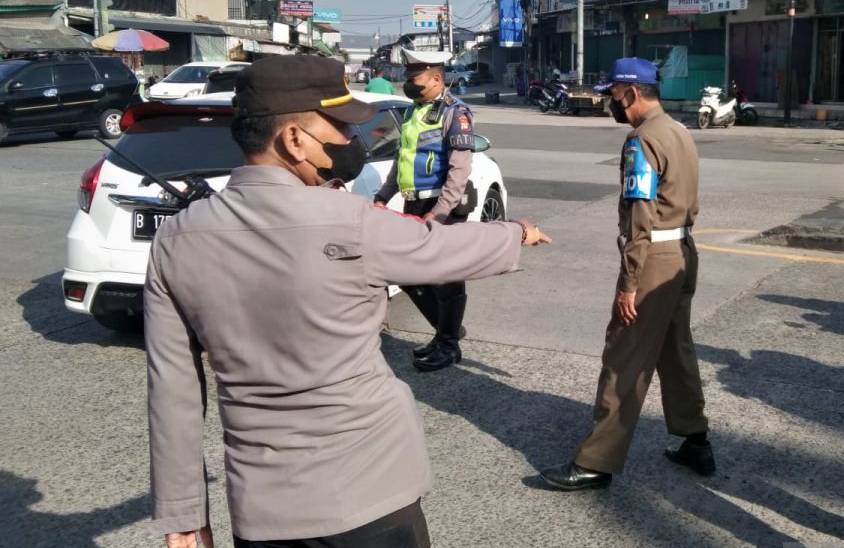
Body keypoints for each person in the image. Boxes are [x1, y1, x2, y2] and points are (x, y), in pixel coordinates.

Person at [144, 54, 551, 548]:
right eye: (338, 127)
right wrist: (515, 232)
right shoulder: (351, 221)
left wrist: (185, 517)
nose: (348, 142)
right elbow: (440, 248)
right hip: (373, 493)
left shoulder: (176, 239)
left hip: (265, 509)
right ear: (294, 140)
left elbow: (174, 394)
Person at [539, 57, 711, 491]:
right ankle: (695, 440)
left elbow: (641, 217)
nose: (609, 103)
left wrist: (629, 283)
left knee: (624, 357)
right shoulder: (679, 130)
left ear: (631, 93)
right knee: (675, 349)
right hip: (684, 251)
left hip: (653, 257)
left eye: (612, 95)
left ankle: (596, 462)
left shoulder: (642, 140)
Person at [373, 48, 476, 372]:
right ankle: (447, 331)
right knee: (408, 275)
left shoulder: (455, 113)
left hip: (440, 204)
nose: (409, 83)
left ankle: (447, 344)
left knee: (446, 278)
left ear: (435, 78)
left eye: (414, 78)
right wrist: (383, 195)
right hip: (414, 202)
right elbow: (401, 160)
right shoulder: (412, 112)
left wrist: (442, 211)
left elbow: (460, 169)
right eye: (407, 77)